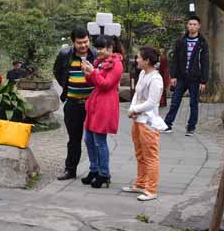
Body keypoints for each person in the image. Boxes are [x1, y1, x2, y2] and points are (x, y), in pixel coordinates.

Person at [52, 27, 98, 180]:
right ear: (73, 43)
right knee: (74, 139)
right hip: (73, 103)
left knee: (96, 139)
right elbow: (57, 71)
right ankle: (70, 170)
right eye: (80, 43)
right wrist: (68, 85)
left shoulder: (95, 54)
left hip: (93, 104)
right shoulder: (65, 55)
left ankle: (97, 171)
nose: (84, 45)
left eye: (86, 41)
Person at [81, 36, 123, 188]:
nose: (98, 51)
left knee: (99, 141)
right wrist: (87, 73)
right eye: (97, 48)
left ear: (111, 48)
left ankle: (104, 173)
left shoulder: (116, 64)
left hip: (105, 104)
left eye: (102, 48)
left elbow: (106, 84)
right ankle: (94, 169)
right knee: (88, 139)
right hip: (95, 102)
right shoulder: (100, 63)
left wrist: (93, 73)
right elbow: (93, 82)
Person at [125, 46, 167, 200]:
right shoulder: (143, 73)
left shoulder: (156, 79)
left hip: (149, 122)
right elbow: (137, 94)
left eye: (138, 57)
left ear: (147, 60)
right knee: (140, 153)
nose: (136, 60)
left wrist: (134, 109)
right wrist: (132, 109)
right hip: (138, 119)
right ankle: (141, 183)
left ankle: (151, 189)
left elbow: (152, 102)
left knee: (150, 156)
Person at [163, 16, 209, 136]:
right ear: (187, 26)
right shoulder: (181, 41)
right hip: (181, 77)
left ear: (199, 26)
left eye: (195, 24)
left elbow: (205, 62)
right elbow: (175, 60)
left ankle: (191, 127)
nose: (192, 26)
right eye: (190, 24)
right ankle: (167, 124)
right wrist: (173, 76)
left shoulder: (202, 43)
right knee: (175, 101)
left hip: (195, 78)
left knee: (193, 103)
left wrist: (203, 81)